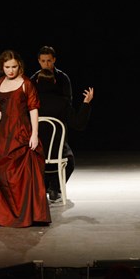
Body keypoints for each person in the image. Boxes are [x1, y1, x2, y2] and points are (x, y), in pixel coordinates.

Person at [0, 50, 51, 227]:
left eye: (14, 66)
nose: (11, 70)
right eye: (7, 67)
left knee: (22, 174)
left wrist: (34, 134)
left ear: (19, 66)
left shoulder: (26, 84)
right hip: (3, 133)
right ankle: (5, 213)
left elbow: (33, 109)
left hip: (21, 131)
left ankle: (24, 214)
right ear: (2, 67)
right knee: (0, 172)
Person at [31, 67, 94, 203]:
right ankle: (55, 187)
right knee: (69, 160)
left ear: (36, 82)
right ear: (54, 82)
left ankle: (40, 187)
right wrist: (86, 103)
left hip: (35, 151)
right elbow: (78, 124)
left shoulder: (31, 103)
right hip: (56, 152)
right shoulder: (62, 102)